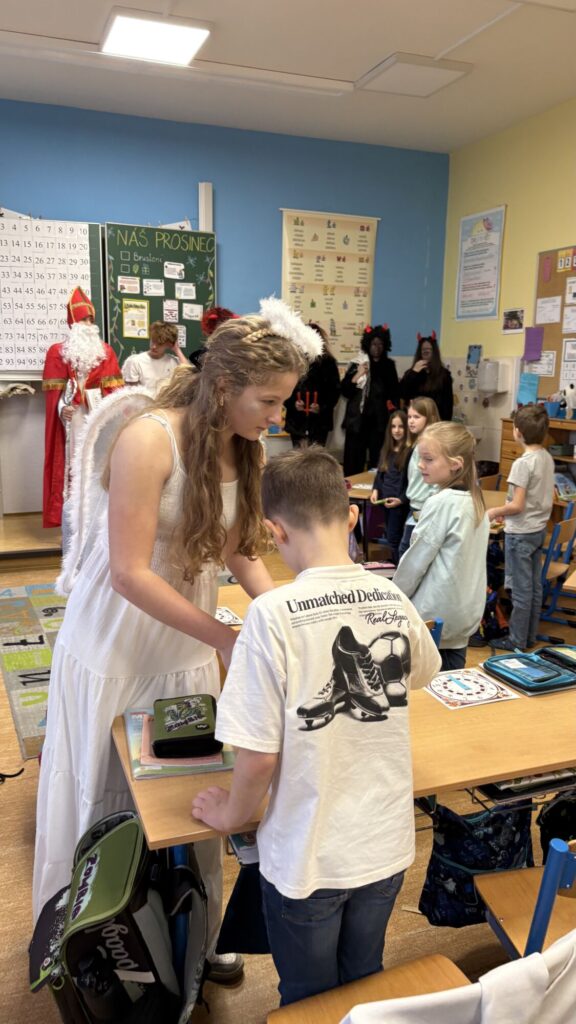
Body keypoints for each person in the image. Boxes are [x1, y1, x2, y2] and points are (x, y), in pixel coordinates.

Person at [32, 298, 322, 985]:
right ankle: (93, 938)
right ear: (223, 387)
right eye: (269, 401)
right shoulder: (148, 439)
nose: (277, 416)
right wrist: (225, 635)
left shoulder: (244, 447)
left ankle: (194, 935)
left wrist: (285, 614)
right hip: (119, 644)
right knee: (106, 792)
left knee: (192, 789)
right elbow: (129, 574)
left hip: (185, 645)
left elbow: (238, 550)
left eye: (282, 402)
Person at [191, 447, 441, 1007]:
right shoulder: (391, 594)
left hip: (309, 859)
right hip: (384, 848)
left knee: (307, 997)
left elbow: (258, 756)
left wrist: (230, 815)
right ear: (352, 517)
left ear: (273, 532)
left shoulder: (270, 615)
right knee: (366, 978)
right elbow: (423, 672)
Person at [394, 422, 489, 670]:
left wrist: (394, 597)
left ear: (455, 464)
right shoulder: (476, 501)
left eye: (428, 459)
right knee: (450, 684)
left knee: (425, 686)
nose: (420, 465)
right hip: (463, 616)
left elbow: (415, 563)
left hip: (434, 618)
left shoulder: (441, 503)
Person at [41, 286, 123, 529]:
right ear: (73, 323)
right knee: (74, 463)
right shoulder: (57, 352)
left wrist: (101, 404)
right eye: (83, 319)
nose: (88, 325)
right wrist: (62, 407)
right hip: (73, 420)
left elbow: (115, 391)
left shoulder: (105, 352)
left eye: (91, 320)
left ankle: (96, 516)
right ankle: (71, 519)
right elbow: (54, 396)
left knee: (97, 462)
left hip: (97, 417)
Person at [487, 404, 554, 652]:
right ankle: (529, 636)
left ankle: (516, 639)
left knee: (520, 590)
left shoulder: (522, 464)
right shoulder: (546, 457)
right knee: (534, 587)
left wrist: (494, 512)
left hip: (521, 534)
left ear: (518, 432)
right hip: (537, 530)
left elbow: (517, 505)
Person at [341, 324, 400, 476]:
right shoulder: (358, 363)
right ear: (368, 344)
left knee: (378, 462)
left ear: (385, 345)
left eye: (380, 344)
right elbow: (345, 391)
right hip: (358, 422)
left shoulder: (389, 366)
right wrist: (357, 375)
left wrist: (393, 414)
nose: (377, 347)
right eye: (374, 344)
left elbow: (394, 394)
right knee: (353, 462)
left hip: (379, 423)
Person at [283, 322, 340, 447]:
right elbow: (283, 388)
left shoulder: (328, 362)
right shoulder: (293, 361)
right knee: (298, 454)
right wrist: (293, 403)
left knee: (317, 454)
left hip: (319, 422)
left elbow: (334, 392)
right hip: (297, 421)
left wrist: (321, 407)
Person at [397, 397, 441, 560]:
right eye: (409, 417)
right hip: (414, 506)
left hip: (424, 507)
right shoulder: (416, 444)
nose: (411, 421)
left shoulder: (430, 445)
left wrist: (430, 504)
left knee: (406, 552)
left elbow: (436, 479)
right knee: (406, 550)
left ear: (429, 418)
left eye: (416, 417)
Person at [369, 410, 411, 565]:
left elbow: (410, 482)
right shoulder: (387, 449)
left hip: (398, 503)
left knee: (395, 538)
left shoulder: (409, 452)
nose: (397, 430)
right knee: (390, 537)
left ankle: (400, 569)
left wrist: (401, 499)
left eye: (401, 426)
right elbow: (380, 473)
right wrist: (375, 490)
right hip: (385, 500)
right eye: (393, 427)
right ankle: (396, 565)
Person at [122, 320, 189, 394]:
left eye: (159, 344)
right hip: (144, 400)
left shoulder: (173, 361)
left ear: (169, 344)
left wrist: (177, 349)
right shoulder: (135, 361)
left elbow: (188, 373)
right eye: (153, 341)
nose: (154, 346)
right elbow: (131, 393)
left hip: (165, 400)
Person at [400, 332, 454, 421]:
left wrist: (444, 425)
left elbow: (448, 404)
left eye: (429, 349)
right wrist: (413, 373)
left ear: (434, 352)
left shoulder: (444, 375)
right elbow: (402, 393)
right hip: (416, 420)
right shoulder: (411, 373)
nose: (426, 351)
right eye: (423, 349)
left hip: (435, 422)